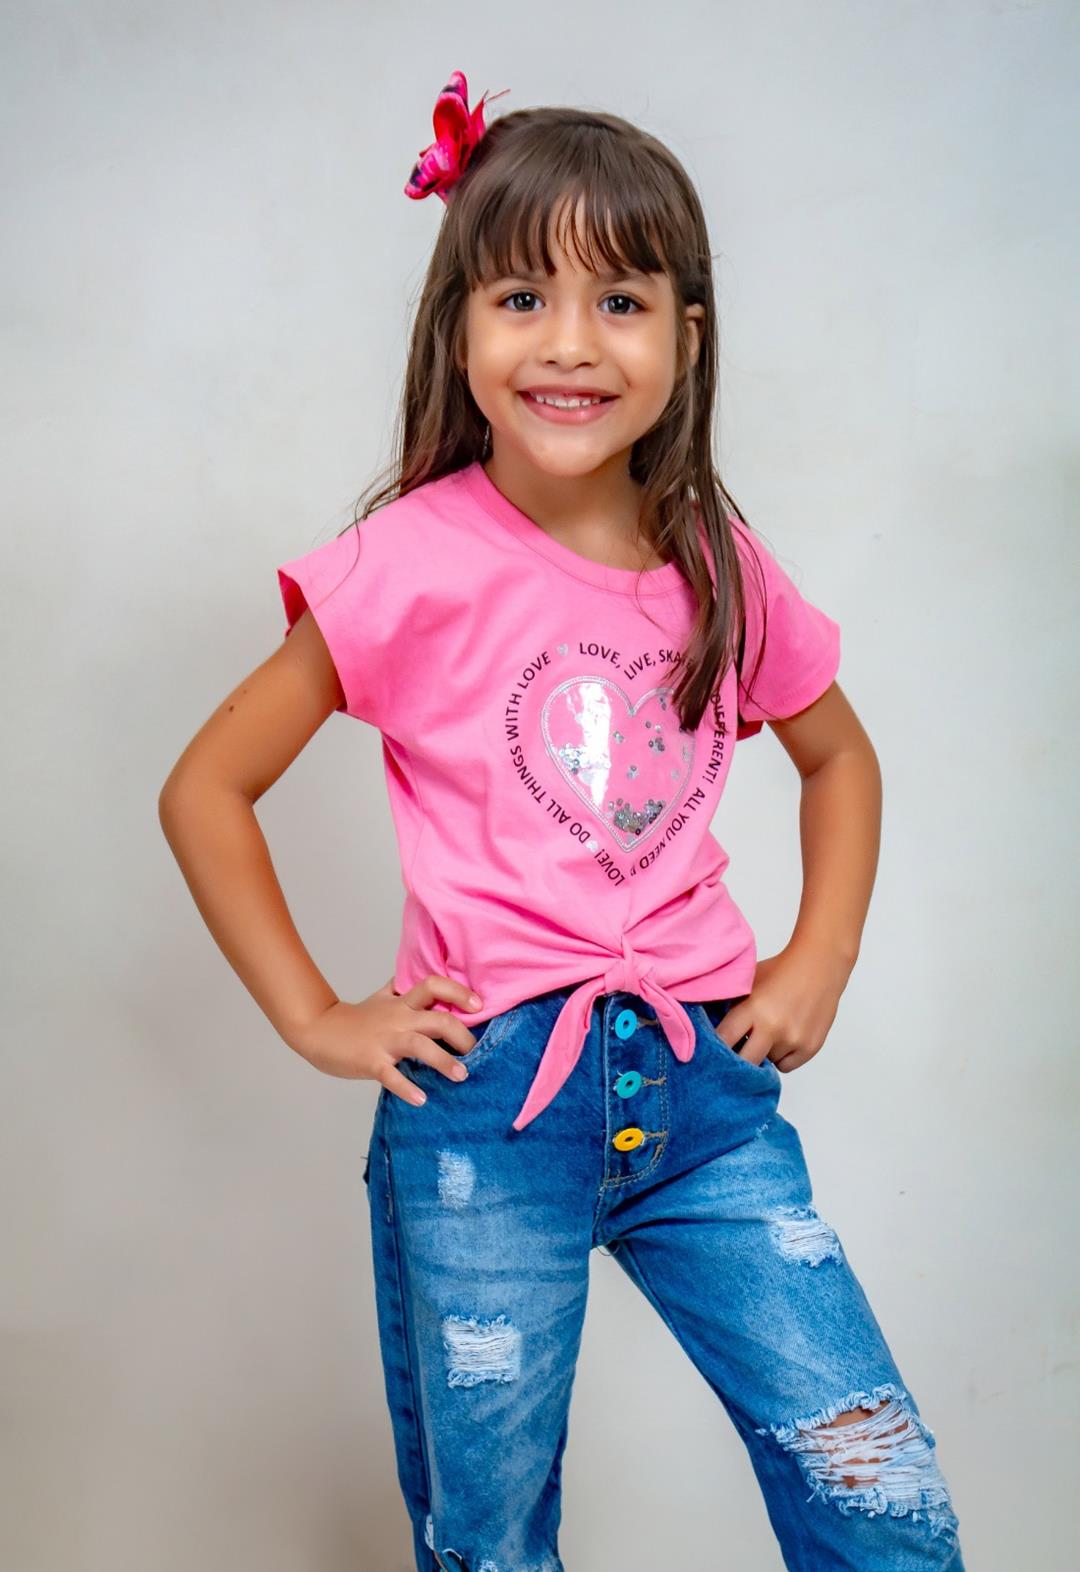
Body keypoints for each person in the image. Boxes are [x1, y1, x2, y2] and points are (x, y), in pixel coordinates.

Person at [159, 69, 965, 1572]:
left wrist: (819, 960)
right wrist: (319, 1016)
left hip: (703, 1095)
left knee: (875, 1482)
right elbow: (206, 787)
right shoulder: (407, 563)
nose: (572, 344)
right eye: (523, 297)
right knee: (495, 1536)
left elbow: (840, 760)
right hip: (486, 1112)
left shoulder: (718, 561)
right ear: (459, 329)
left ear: (687, 338)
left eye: (622, 302)